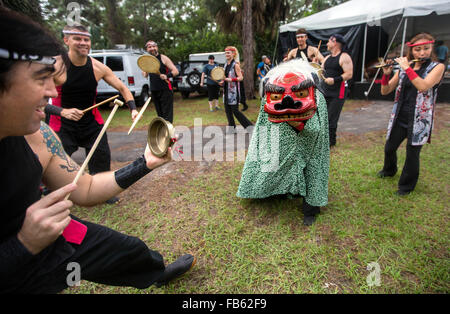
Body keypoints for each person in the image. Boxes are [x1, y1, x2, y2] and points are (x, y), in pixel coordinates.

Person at [0, 7, 195, 293]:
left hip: (54, 236)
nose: (53, 92)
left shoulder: (38, 137)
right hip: (15, 271)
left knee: (128, 249)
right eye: (41, 79)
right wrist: (23, 244)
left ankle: (156, 272)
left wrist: (146, 163)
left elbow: (86, 188)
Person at [47, 24, 139, 204]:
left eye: (86, 39)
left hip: (91, 122)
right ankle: (51, 192)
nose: (83, 43)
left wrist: (133, 109)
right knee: (55, 162)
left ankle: (102, 191)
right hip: (61, 122)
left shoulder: (98, 67)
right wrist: (62, 111)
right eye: (77, 39)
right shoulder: (55, 66)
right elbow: (38, 99)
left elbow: (122, 88)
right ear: (66, 41)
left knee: (101, 156)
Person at [237, 59, 329, 226]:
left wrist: (301, 124)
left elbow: (316, 128)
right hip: (282, 131)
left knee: (313, 165)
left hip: (309, 133)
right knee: (278, 159)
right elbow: (267, 125)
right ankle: (279, 189)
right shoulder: (271, 92)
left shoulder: (316, 95)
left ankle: (311, 207)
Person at [378, 32, 445, 196]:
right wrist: (386, 75)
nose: (422, 53)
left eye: (426, 49)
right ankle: (389, 170)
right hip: (400, 116)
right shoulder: (404, 68)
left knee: (412, 154)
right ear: (411, 51)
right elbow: (385, 90)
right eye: (418, 50)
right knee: (389, 148)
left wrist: (407, 68)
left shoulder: (437, 67)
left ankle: (406, 186)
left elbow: (423, 86)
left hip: (420, 119)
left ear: (431, 48)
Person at [321, 34, 353, 147]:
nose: (327, 43)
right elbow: (321, 69)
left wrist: (335, 80)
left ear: (335, 42)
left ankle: (331, 143)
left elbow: (349, 74)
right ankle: (324, 141)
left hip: (338, 92)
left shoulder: (344, 57)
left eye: (329, 41)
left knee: (331, 118)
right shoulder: (327, 58)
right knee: (323, 116)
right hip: (326, 91)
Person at [142, 40, 179, 123]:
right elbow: (145, 75)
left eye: (153, 46)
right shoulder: (147, 60)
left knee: (167, 115)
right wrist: (146, 67)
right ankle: (164, 135)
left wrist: (166, 76)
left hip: (165, 89)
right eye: (149, 47)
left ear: (157, 47)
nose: (152, 48)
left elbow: (176, 71)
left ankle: (170, 134)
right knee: (160, 116)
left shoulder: (163, 58)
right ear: (147, 49)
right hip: (154, 90)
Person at [220, 46, 253, 133]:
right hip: (226, 91)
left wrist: (231, 80)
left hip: (234, 92)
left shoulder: (236, 65)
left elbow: (241, 78)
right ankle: (232, 130)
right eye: (226, 53)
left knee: (236, 111)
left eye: (228, 53)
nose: (227, 54)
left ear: (233, 54)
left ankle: (250, 128)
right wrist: (222, 81)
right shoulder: (225, 65)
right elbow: (225, 77)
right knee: (228, 111)